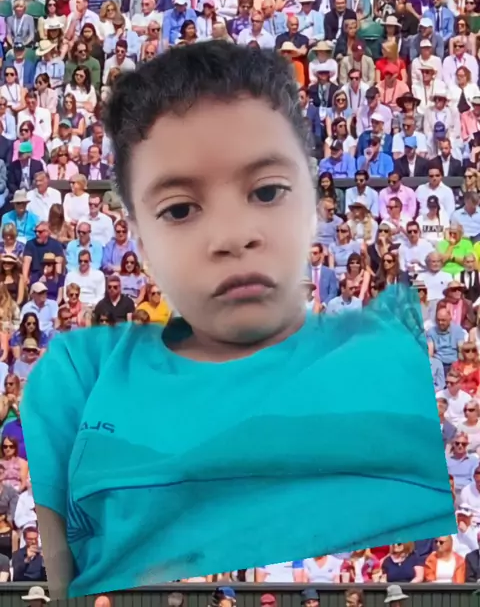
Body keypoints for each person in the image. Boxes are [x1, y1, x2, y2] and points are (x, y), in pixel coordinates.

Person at [22, 43, 454, 598]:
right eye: (180, 209)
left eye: (267, 191)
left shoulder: (388, 385)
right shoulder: (78, 387)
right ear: (140, 243)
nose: (232, 236)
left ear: (313, 203)